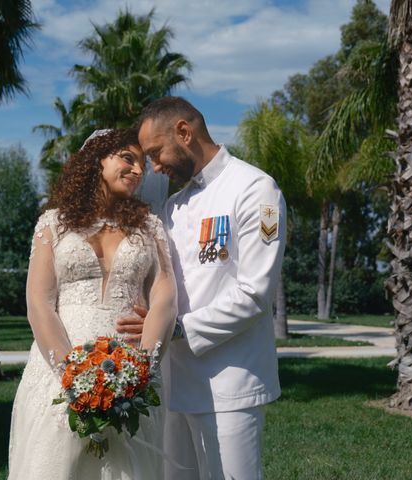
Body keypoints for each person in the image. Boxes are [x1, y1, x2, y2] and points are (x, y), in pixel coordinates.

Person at [116, 97, 286, 479]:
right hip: (175, 385)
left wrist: (173, 328)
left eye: (156, 153)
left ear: (184, 132)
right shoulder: (173, 206)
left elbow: (255, 294)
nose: (155, 167)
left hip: (230, 382)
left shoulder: (256, 190)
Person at [7, 128, 177, 480]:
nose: (137, 170)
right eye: (127, 159)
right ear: (97, 161)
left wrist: (142, 367)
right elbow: (39, 301)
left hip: (130, 367)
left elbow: (164, 294)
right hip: (59, 365)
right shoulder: (53, 223)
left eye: (142, 164)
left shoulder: (149, 227)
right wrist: (70, 374)